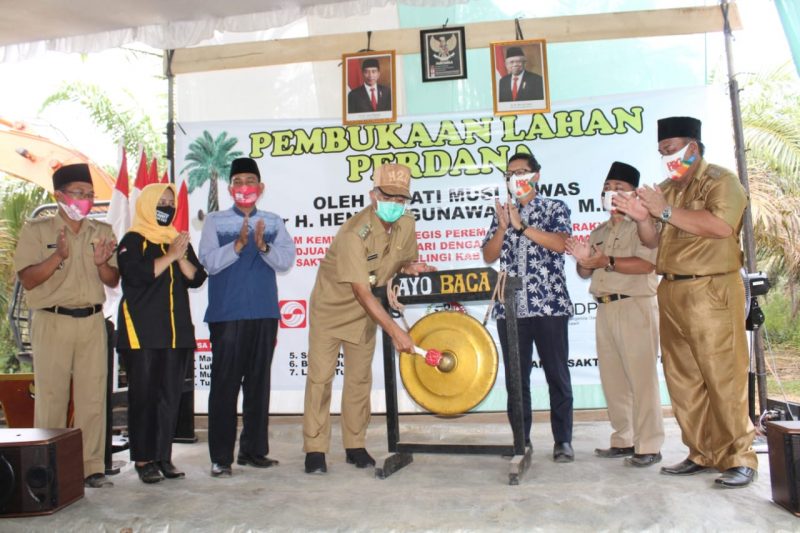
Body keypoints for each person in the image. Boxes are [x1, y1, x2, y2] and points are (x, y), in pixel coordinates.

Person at [614, 116, 758, 488]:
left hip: (712, 289)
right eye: (661, 151)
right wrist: (642, 217)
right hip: (671, 288)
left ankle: (739, 457)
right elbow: (651, 241)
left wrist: (663, 210)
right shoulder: (666, 189)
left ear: (693, 147)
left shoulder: (722, 181)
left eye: (672, 149)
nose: (666, 157)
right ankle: (701, 452)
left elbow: (721, 226)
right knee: (683, 379)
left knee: (723, 376)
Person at [302, 163, 434, 474]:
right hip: (331, 311)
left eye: (400, 199)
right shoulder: (354, 233)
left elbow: (401, 260)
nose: (395, 205)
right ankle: (315, 449)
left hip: (365, 314)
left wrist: (407, 267)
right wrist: (396, 332)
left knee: (359, 380)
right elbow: (361, 291)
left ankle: (355, 444)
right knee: (320, 380)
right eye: (388, 197)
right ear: (374, 196)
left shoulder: (406, 224)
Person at [14, 163, 119, 488]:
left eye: (90, 194)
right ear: (58, 195)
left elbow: (113, 279)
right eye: (78, 193)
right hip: (52, 321)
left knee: (93, 398)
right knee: (51, 398)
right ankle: (47, 469)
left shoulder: (102, 231)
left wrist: (102, 264)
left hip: (91, 322)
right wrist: (57, 256)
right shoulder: (37, 230)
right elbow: (28, 279)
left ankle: (91, 468)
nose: (85, 199)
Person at [198, 157, 295, 478]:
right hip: (227, 316)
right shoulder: (215, 221)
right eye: (238, 182)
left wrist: (263, 246)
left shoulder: (273, 221)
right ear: (230, 189)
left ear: (260, 187)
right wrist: (238, 245)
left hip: (264, 314)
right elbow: (208, 263)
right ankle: (221, 458)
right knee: (224, 387)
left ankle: (253, 451)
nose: (244, 187)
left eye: (250, 181)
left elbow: (285, 261)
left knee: (258, 385)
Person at [565, 161, 664, 468]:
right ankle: (624, 439)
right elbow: (586, 272)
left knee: (642, 379)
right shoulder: (599, 231)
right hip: (605, 307)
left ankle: (649, 445)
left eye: (619, 188)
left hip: (635, 305)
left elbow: (648, 264)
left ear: (634, 194)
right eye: (607, 188)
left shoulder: (645, 227)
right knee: (614, 380)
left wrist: (604, 261)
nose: (611, 193)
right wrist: (583, 259)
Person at [481, 152, 574, 462]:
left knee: (557, 375)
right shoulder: (503, 213)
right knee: (516, 380)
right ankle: (521, 440)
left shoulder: (554, 207)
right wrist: (503, 227)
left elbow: (560, 244)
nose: (516, 178)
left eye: (521, 172)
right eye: (510, 174)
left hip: (549, 305)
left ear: (536, 175)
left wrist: (522, 228)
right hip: (510, 308)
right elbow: (489, 255)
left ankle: (563, 441)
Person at [116, 183, 207, 484]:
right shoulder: (133, 239)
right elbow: (136, 275)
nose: (167, 208)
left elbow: (196, 277)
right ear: (147, 204)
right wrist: (170, 255)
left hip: (175, 334)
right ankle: (143, 459)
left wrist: (179, 255)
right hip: (141, 333)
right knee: (144, 397)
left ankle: (163, 456)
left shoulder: (176, 239)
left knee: (170, 397)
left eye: (170, 203)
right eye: (161, 202)